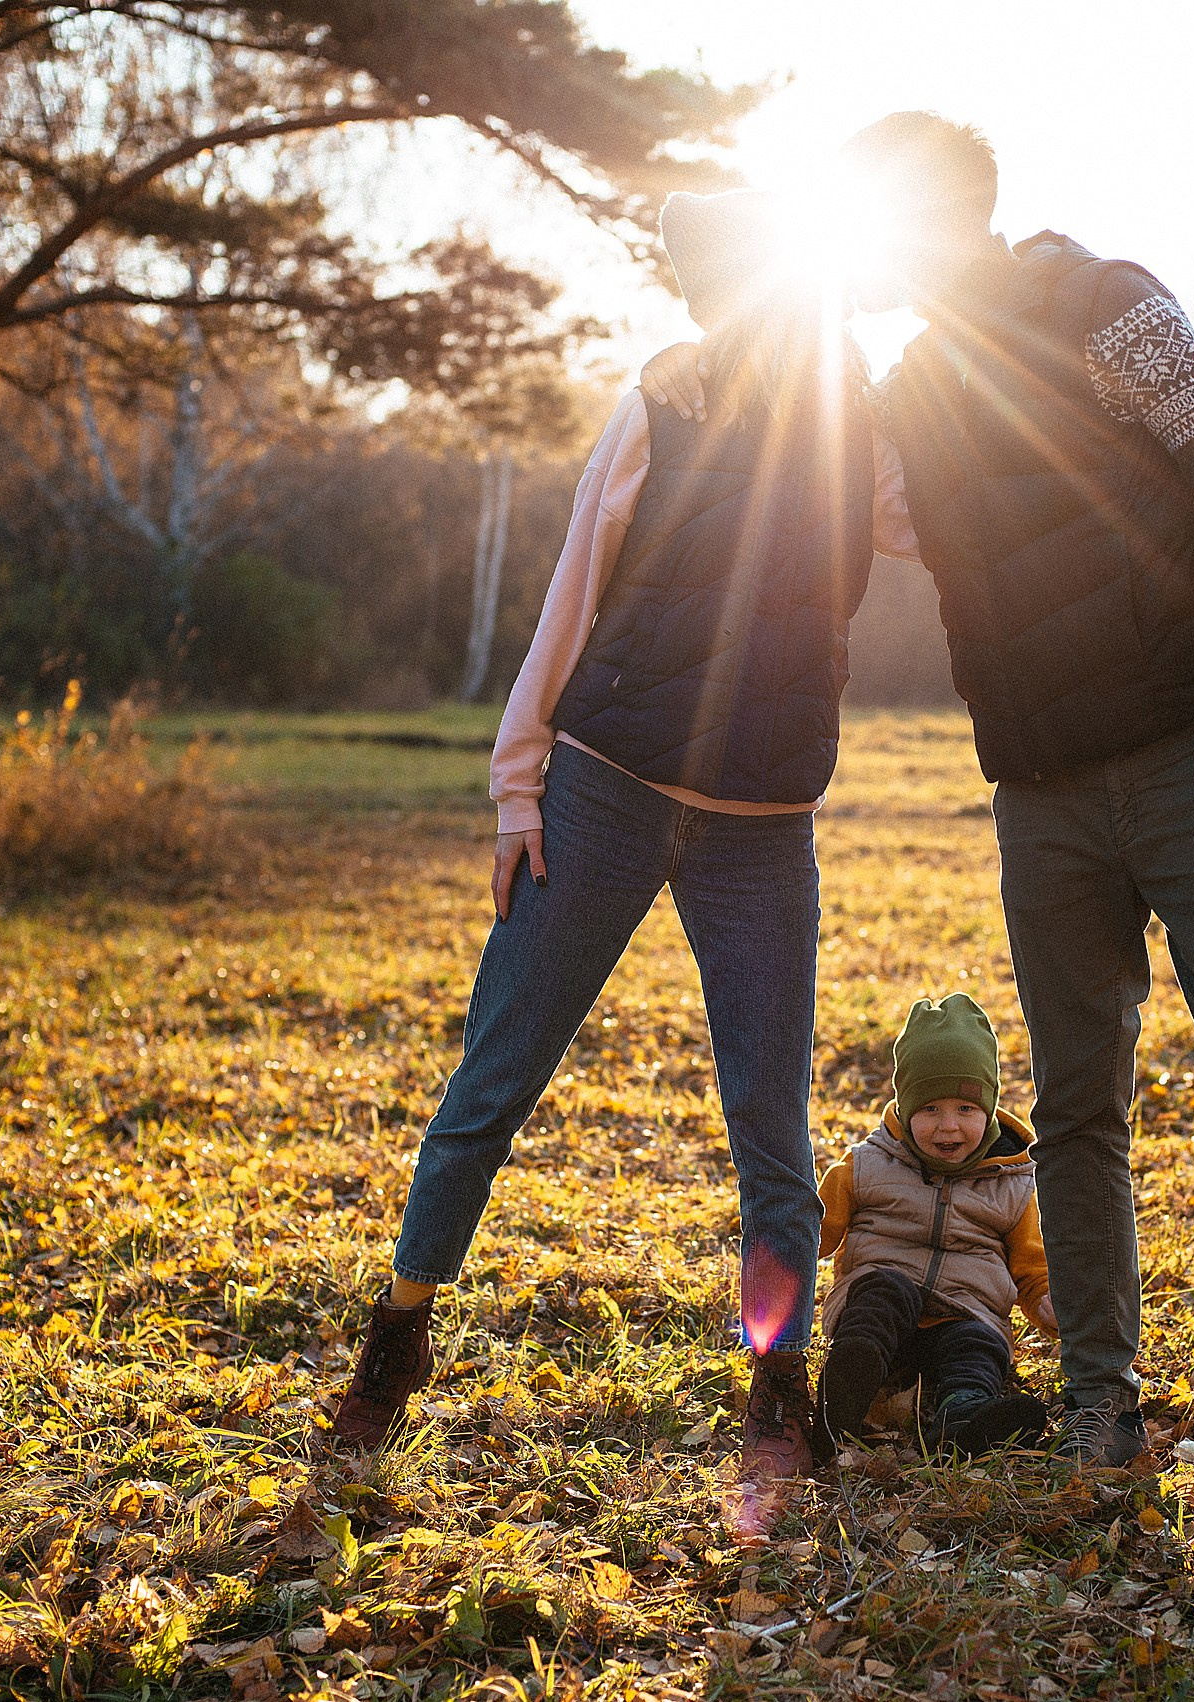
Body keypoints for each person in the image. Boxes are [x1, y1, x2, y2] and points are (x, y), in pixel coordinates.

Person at [642, 115, 1194, 1507]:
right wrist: (703, 356)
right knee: (1075, 1112)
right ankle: (1099, 1403)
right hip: (1041, 798)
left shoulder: (1107, 303)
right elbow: (813, 463)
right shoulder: (912, 390)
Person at [330, 189, 916, 1489]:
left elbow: (937, 533)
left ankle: (775, 1387)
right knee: (494, 1077)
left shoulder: (860, 438)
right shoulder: (663, 402)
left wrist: (936, 398)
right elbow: (570, 594)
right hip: (602, 788)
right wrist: (517, 787)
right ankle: (395, 1338)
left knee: (769, 1116)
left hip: (763, 825)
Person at [815, 993, 1055, 1454]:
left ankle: (965, 1419)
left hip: (967, 1311)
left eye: (965, 1110)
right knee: (886, 1291)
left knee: (978, 1344)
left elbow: (1031, 1265)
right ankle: (844, 1392)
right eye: (930, 1110)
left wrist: (1047, 1303)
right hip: (880, 1310)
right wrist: (785, 1250)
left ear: (989, 1110)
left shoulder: (1014, 1184)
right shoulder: (866, 1165)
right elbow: (817, 1233)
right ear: (904, 1109)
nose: (948, 1127)